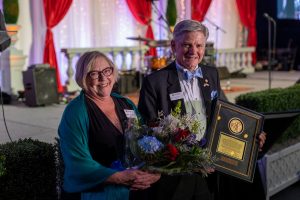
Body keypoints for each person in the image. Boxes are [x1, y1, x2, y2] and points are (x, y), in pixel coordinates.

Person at [138, 19, 266, 200]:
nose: (193, 51)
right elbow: (148, 131)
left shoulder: (211, 74)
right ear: (174, 46)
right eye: (187, 45)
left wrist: (251, 134)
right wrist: (189, 160)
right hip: (176, 173)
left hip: (210, 169)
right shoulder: (155, 82)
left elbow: (226, 114)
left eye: (199, 45)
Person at [58, 51, 160, 200]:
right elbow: (77, 162)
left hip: (135, 187)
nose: (103, 78)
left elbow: (146, 142)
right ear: (83, 78)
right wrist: (119, 177)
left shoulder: (126, 103)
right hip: (97, 192)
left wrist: (154, 172)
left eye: (107, 70)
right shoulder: (76, 111)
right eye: (94, 73)